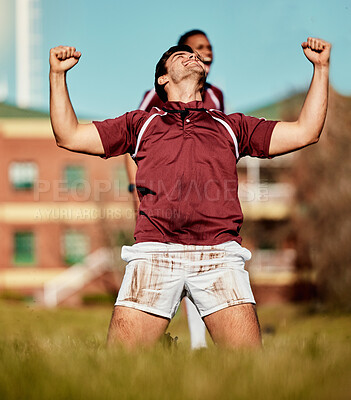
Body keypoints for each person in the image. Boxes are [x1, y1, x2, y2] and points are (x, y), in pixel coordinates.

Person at [49, 37, 331, 348]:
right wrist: (58, 76)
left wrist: (321, 68)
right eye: (181, 54)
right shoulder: (140, 124)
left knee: (249, 368)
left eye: (195, 55)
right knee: (119, 365)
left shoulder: (231, 125)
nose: (192, 56)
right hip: (155, 252)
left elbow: (306, 131)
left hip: (219, 255)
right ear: (163, 78)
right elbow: (69, 135)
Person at [126, 29, 223, 350]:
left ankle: (199, 345)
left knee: (205, 268)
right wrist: (135, 190)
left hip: (207, 201)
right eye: (194, 48)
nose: (202, 52)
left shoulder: (217, 96)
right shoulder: (154, 99)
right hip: (163, 205)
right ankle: (176, 340)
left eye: (206, 47)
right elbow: (135, 140)